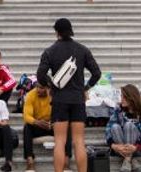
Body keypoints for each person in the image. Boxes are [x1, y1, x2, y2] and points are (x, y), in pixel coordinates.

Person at [35, 18, 100, 172]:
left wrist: (51, 85)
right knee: (79, 141)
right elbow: (96, 73)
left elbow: (40, 75)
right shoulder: (82, 50)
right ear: (70, 30)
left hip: (59, 99)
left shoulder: (50, 51)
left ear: (56, 32)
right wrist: (86, 87)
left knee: (60, 141)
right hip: (78, 99)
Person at [106, 84, 141, 172]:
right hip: (120, 147)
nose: (121, 99)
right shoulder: (118, 109)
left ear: (131, 98)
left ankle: (128, 159)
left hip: (137, 147)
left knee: (129, 125)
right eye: (121, 96)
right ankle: (130, 158)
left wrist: (136, 147)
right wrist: (113, 145)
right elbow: (108, 128)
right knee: (114, 127)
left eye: (124, 97)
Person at [21, 80, 54, 171]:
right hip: (37, 125)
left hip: (52, 125)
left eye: (42, 88)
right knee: (27, 127)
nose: (38, 90)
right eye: (37, 87)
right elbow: (26, 116)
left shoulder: (54, 95)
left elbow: (60, 113)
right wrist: (36, 122)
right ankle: (30, 161)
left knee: (66, 127)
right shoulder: (31, 94)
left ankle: (66, 160)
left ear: (48, 88)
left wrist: (52, 123)